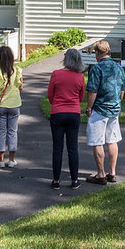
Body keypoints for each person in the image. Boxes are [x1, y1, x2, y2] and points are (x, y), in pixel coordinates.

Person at [85, 40, 125, 185]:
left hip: (100, 110)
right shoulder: (118, 68)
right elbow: (122, 90)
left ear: (97, 53)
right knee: (112, 140)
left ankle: (101, 174)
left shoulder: (97, 69)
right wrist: (118, 103)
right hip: (114, 109)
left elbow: (92, 92)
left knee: (98, 141)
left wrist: (89, 108)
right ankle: (113, 172)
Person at [47, 48, 86, 189]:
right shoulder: (80, 77)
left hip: (58, 112)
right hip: (73, 113)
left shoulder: (56, 74)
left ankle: (56, 181)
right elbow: (81, 97)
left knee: (57, 148)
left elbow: (50, 94)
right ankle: (74, 180)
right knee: (73, 148)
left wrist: (56, 103)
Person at [0, 46, 23, 169]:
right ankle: (11, 159)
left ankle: (1, 160)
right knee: (12, 132)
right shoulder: (17, 70)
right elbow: (21, 87)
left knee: (1, 133)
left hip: (0, 105)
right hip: (14, 105)